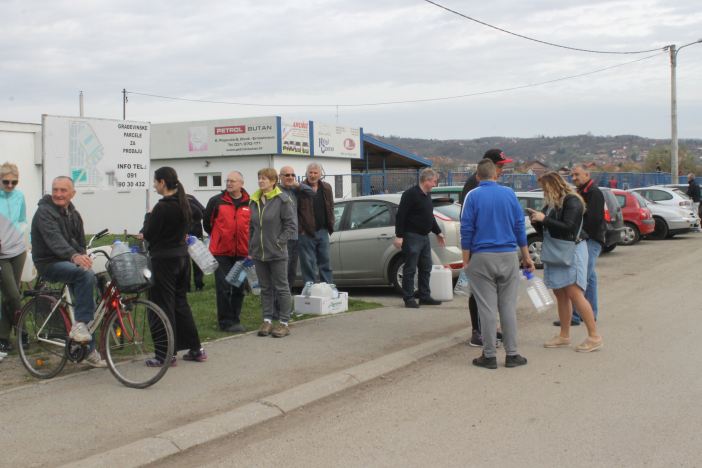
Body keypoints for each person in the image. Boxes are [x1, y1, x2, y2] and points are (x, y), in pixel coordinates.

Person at [461, 159, 534, 369]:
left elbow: (466, 229)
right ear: (496, 175)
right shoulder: (509, 194)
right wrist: (526, 255)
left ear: (478, 176)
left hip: (482, 257)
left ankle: (490, 355)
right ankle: (512, 354)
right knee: (508, 307)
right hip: (509, 255)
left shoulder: (472, 196)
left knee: (486, 308)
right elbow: (520, 225)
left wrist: (466, 259)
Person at [31, 176, 106, 367]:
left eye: (63, 190)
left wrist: (82, 257)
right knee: (83, 275)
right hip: (49, 263)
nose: (58, 194)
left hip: (68, 262)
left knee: (91, 290)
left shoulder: (74, 214)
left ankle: (87, 349)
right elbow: (54, 240)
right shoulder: (44, 212)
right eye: (55, 189)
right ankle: (79, 326)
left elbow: (79, 243)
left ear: (72, 193)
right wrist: (74, 257)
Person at [528, 172, 603, 353]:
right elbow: (550, 227)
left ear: (553, 185)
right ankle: (564, 335)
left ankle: (594, 336)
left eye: (545, 188)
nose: (544, 192)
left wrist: (544, 219)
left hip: (571, 251)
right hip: (557, 251)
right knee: (560, 293)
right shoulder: (553, 203)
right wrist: (537, 221)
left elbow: (569, 227)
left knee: (574, 293)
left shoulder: (572, 201)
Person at [142, 167, 206, 365]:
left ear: (162, 182)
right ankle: (195, 349)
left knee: (163, 305)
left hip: (163, 260)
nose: (154, 185)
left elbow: (149, 234)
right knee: (180, 304)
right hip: (182, 258)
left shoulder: (162, 207)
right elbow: (199, 213)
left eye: (155, 182)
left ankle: (165, 354)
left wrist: (148, 216)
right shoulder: (185, 203)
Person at [459, 148, 513, 346]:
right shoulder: (475, 186)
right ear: (489, 166)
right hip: (478, 249)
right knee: (477, 293)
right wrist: (467, 256)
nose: (502, 170)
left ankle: (490, 329)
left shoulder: (494, 186)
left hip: (493, 249)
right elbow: (467, 222)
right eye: (500, 166)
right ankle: (478, 331)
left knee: (493, 293)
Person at [249, 168, 297, 338]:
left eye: (264, 179)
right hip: (259, 253)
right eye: (259, 178)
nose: (261, 181)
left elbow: (291, 226)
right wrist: (251, 245)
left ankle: (284, 323)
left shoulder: (283, 200)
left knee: (282, 288)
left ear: (273, 181)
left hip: (277, 253)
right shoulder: (254, 200)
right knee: (265, 288)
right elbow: (252, 227)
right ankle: (267, 320)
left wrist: (279, 242)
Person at [203, 171, 250, 333]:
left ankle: (235, 319)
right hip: (221, 252)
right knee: (223, 287)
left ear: (241, 184)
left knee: (238, 286)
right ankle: (225, 322)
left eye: (233, 181)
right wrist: (220, 237)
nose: (229, 183)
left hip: (243, 253)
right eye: (227, 180)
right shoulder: (216, 201)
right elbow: (207, 224)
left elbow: (254, 227)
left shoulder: (250, 203)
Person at [559, 164, 606, 327]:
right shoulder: (581, 192)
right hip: (586, 239)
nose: (574, 178)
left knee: (581, 277)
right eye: (572, 175)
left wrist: (577, 234)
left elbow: (593, 220)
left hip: (591, 239)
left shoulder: (594, 192)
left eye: (577, 175)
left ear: (587, 175)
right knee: (590, 276)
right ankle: (590, 314)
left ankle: (576, 316)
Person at [393, 168, 445, 308]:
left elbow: (429, 216)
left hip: (424, 237)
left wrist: (437, 232)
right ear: (426, 180)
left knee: (426, 267)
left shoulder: (427, 195)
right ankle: (408, 298)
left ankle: (424, 296)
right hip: (412, 236)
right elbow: (401, 216)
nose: (435, 185)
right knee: (410, 268)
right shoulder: (410, 194)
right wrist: (399, 236)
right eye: (434, 181)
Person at [0, 163, 27, 353]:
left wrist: (26, 239)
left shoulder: (20, 196)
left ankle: (3, 338)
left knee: (12, 295)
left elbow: (23, 220)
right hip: (2, 255)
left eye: (14, 182)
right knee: (12, 294)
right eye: (6, 182)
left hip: (19, 250)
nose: (10, 186)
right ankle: (22, 330)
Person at [276, 166, 313, 296]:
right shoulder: (276, 191)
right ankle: (278, 304)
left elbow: (311, 192)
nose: (290, 177)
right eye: (287, 175)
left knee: (291, 272)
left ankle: (286, 302)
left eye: (292, 175)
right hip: (282, 239)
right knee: (282, 274)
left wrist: (297, 184)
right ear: (280, 177)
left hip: (295, 238)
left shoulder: (294, 191)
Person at [297, 162, 334, 284]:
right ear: (306, 173)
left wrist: (331, 224)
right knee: (308, 264)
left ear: (320, 174)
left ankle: (328, 288)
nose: (312, 175)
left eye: (315, 173)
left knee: (326, 262)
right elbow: (294, 211)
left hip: (323, 231)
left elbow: (331, 207)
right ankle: (310, 289)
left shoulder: (327, 188)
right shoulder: (299, 189)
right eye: (310, 173)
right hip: (306, 233)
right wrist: (300, 230)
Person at [186, 194, 206, 292]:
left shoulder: (187, 198)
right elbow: (203, 211)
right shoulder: (191, 197)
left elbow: (203, 211)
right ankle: (198, 285)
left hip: (187, 232)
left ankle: (188, 286)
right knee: (195, 260)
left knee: (186, 261)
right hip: (195, 232)